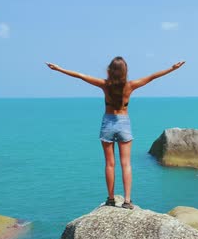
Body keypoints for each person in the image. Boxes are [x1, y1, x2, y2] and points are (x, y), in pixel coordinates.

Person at [46, 57, 186, 209]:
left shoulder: (105, 85)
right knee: (126, 164)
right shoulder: (130, 85)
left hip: (108, 123)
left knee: (109, 164)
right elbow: (152, 77)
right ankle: (127, 201)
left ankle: (111, 199)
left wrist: (59, 69)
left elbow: (80, 75)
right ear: (125, 71)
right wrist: (172, 68)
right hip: (124, 124)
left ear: (109, 71)